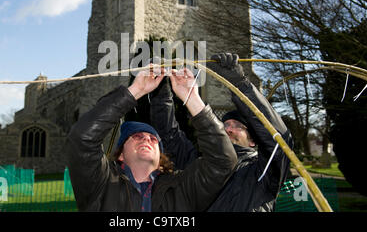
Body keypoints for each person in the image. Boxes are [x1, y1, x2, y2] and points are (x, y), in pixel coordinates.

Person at [65, 65, 238, 211]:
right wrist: (135, 90)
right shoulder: (101, 184)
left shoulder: (182, 187)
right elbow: (82, 138)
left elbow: (223, 161)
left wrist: (192, 98)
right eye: (137, 136)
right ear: (121, 154)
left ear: (161, 156)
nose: (146, 139)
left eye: (153, 138)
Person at [149, 53, 293, 212]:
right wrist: (161, 92)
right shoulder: (199, 162)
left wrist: (240, 84)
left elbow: (279, 142)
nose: (228, 129)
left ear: (253, 142)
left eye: (238, 126)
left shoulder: (262, 172)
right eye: (225, 125)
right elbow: (169, 136)